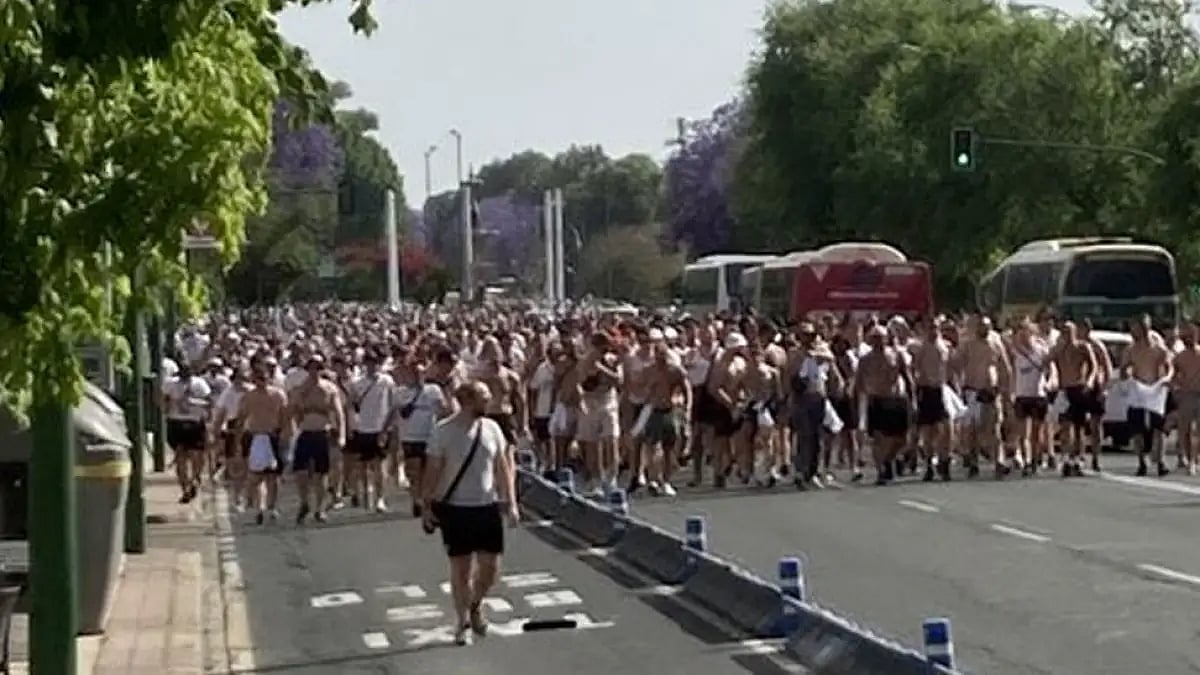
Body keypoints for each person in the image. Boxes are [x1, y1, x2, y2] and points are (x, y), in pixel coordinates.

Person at [420, 381, 520, 646]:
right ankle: (462, 621)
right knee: (461, 568)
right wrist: (426, 505)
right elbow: (432, 471)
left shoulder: (492, 428)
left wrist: (511, 502)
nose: (489, 402)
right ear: (467, 400)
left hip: (486, 506)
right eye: (484, 397)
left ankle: (475, 603)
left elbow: (503, 466)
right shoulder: (443, 431)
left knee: (491, 568)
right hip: (456, 508)